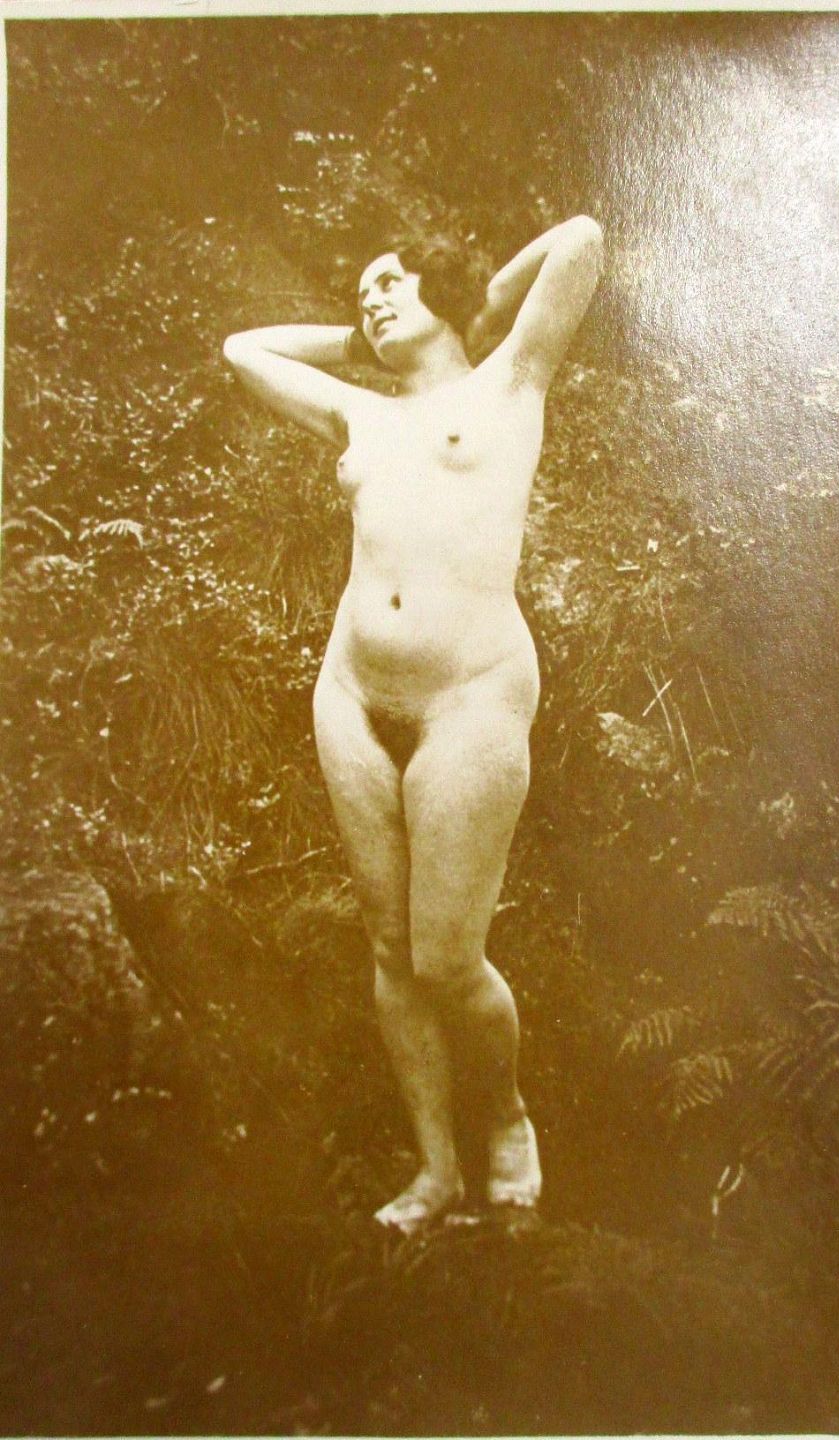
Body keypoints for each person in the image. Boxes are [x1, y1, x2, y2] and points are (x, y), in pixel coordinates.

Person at [223, 215, 603, 1234]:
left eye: (391, 281)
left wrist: (475, 302)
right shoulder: (359, 412)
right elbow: (243, 350)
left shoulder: (510, 380)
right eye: (363, 291)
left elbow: (580, 239)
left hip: (468, 696)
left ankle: (507, 1121)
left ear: (443, 289)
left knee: (445, 959)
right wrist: (362, 340)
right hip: (352, 694)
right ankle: (435, 1172)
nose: (373, 296)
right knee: (391, 954)